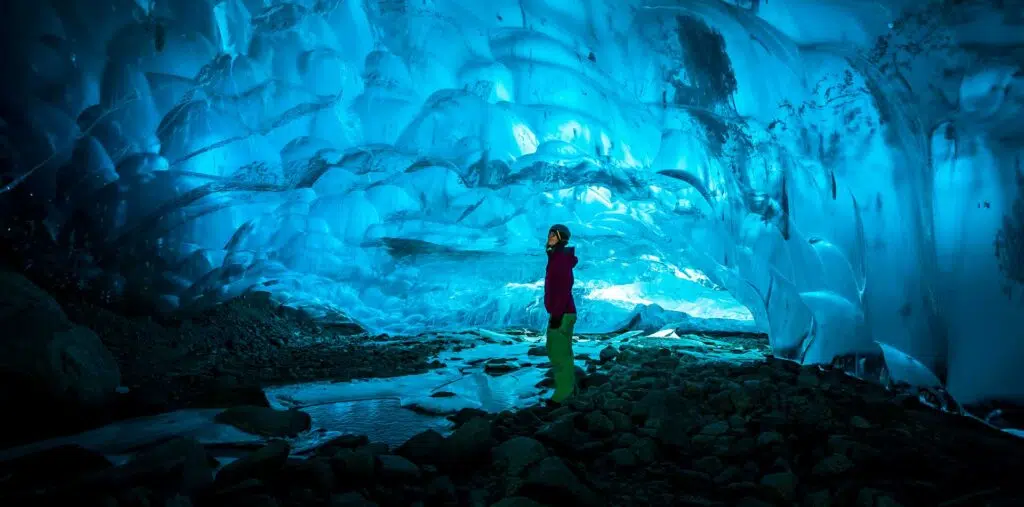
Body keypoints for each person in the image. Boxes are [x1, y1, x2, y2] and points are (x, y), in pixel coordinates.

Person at [544, 223, 579, 404]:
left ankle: (563, 397)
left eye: (554, 234)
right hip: (563, 312)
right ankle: (570, 391)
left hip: (562, 313)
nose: (550, 236)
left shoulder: (560, 259)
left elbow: (564, 287)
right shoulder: (556, 257)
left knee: (558, 354)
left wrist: (556, 315)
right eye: (549, 234)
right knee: (561, 352)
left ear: (561, 238)